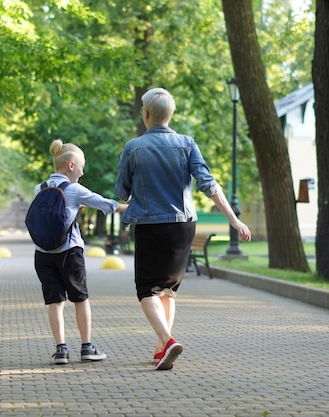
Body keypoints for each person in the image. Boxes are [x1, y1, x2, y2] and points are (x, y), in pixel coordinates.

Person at [115, 87, 251, 370]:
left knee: (146, 290)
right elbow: (209, 184)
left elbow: (122, 190)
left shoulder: (133, 147)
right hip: (182, 226)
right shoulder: (187, 143)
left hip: (150, 226)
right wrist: (234, 220)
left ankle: (167, 340)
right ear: (170, 114)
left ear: (147, 114)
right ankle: (160, 348)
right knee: (168, 290)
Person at [32, 139, 128, 365]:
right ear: (72, 165)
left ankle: (61, 350)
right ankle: (86, 347)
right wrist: (130, 205)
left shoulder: (40, 188)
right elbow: (106, 204)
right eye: (82, 168)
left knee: (54, 301)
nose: (83, 173)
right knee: (80, 298)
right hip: (69, 251)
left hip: (43, 253)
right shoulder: (74, 189)